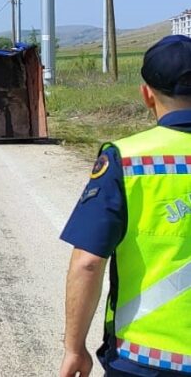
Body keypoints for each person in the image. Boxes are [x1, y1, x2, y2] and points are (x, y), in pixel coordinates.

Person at [59, 35, 191, 377]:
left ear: (146, 94)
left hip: (148, 360)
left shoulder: (128, 160)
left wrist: (74, 349)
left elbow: (88, 262)